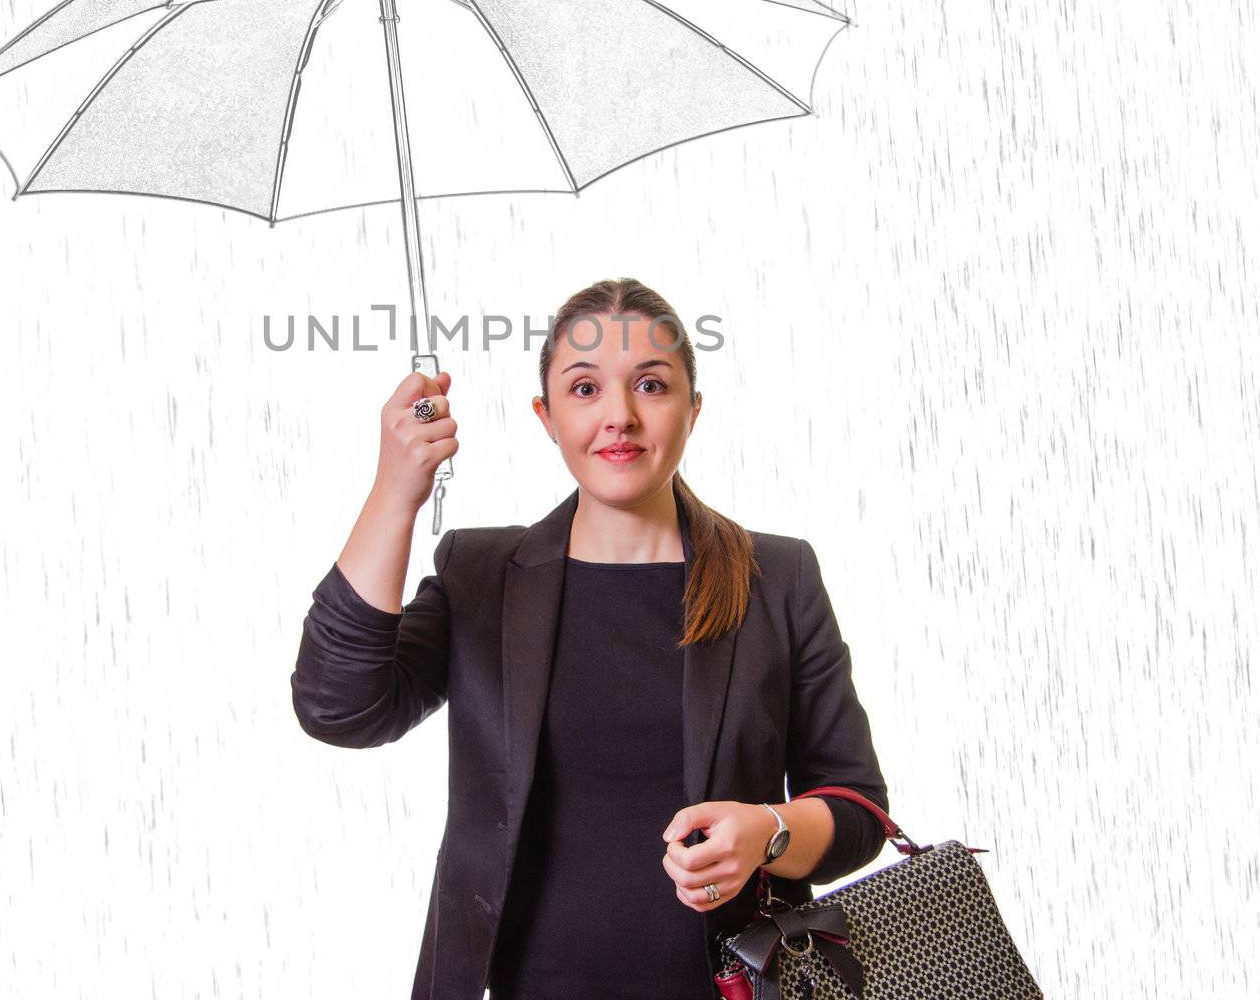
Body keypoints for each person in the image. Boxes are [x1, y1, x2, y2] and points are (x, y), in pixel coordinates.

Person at [291, 278, 889, 1000]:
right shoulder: (481, 576)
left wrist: (772, 830)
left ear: (693, 410)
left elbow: (859, 811)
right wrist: (395, 492)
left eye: (651, 384)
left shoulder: (777, 578)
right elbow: (340, 707)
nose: (620, 416)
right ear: (545, 417)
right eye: (584, 389)